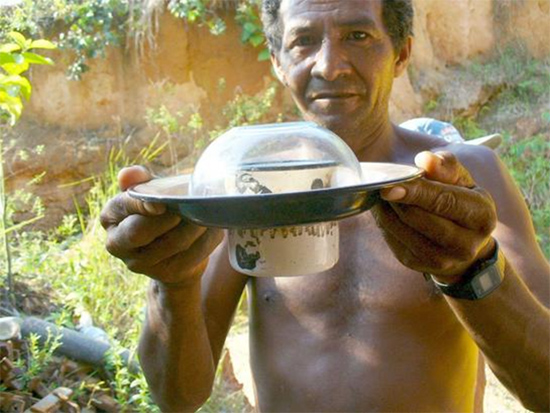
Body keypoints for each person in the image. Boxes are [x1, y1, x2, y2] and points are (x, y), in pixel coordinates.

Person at [100, 0, 550, 411]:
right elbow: (176, 397)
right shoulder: (243, 187)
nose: (330, 66)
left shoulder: (463, 180)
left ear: (401, 54)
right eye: (304, 41)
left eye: (358, 36)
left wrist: (472, 269)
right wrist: (172, 283)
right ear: (278, 61)